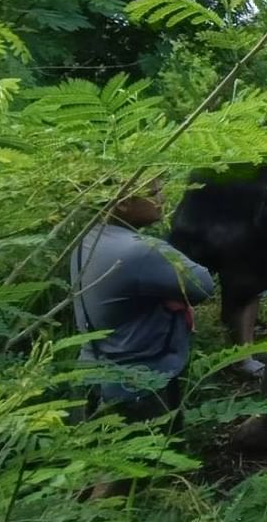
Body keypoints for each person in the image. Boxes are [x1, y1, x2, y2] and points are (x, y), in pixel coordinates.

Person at [72, 178, 214, 427]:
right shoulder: (142, 251)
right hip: (141, 383)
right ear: (124, 203)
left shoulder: (86, 240)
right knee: (156, 458)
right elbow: (203, 284)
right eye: (154, 193)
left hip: (92, 373)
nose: (162, 199)